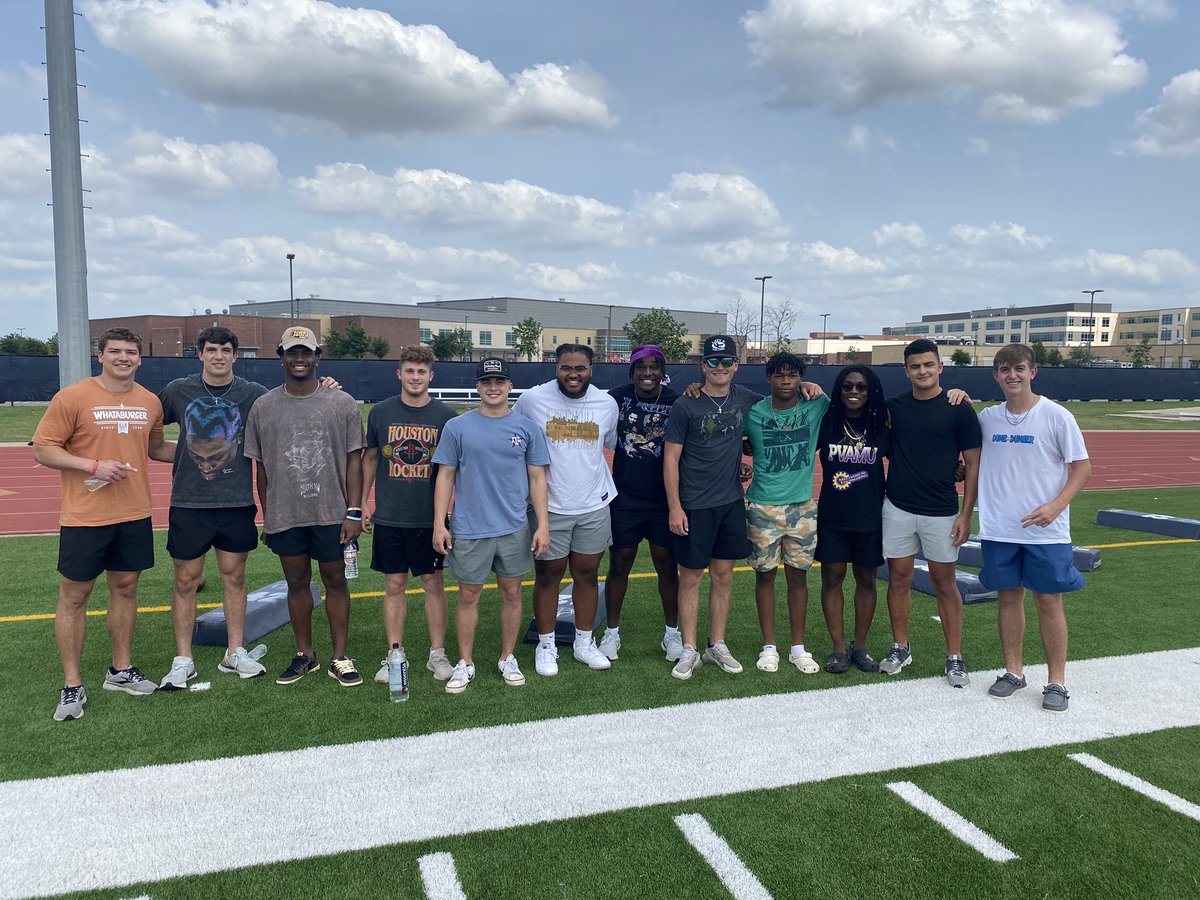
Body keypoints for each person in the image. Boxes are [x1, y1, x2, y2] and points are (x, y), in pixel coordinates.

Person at [33, 327, 173, 721]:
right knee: (75, 597)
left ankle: (120, 670)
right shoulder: (73, 397)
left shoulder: (149, 401)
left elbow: (156, 448)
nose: (123, 358)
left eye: (131, 351)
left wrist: (205, 453)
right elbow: (43, 449)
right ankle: (72, 685)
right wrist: (93, 466)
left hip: (133, 513)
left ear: (140, 358)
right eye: (116, 351)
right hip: (85, 516)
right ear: (101, 355)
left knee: (126, 589)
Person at [243, 326, 365, 687]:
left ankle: (340, 657)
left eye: (306, 352)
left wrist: (354, 511)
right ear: (280, 356)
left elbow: (354, 460)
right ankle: (305, 654)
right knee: (296, 583)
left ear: (317, 356)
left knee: (336, 581)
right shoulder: (263, 406)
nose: (299, 359)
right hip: (287, 513)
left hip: (331, 511)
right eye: (292, 352)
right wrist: (269, 516)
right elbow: (261, 468)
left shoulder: (341, 403)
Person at [977, 344, 1090, 712]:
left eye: (1019, 368)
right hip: (999, 528)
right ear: (995, 375)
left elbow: (1081, 468)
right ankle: (1014, 672)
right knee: (1008, 599)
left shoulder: (1056, 416)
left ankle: (1057, 681)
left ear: (1033, 371)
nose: (1012, 375)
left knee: (1048, 601)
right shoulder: (987, 418)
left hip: (1046, 530)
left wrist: (1055, 506)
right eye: (1005, 369)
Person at [156, 326, 269, 689]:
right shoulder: (177, 391)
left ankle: (234, 651)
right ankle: (183, 658)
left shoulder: (253, 395)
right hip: (189, 502)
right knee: (186, 580)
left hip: (235, 501)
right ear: (200, 354)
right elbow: (147, 432)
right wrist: (187, 455)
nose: (218, 355)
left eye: (225, 350)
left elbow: (289, 408)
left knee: (234, 578)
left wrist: (327, 385)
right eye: (211, 349)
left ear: (236, 356)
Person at [432, 357, 550, 693]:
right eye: (486, 382)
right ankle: (466, 662)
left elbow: (538, 478)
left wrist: (542, 524)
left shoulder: (527, 429)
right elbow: (446, 476)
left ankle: (507, 656)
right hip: (470, 528)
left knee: (512, 593)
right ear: (478, 386)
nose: (493, 387)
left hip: (514, 528)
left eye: (499, 381)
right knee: (468, 596)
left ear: (510, 386)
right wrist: (440, 523)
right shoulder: (458, 427)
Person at [880, 338, 982, 687]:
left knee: (944, 582)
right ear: (906, 370)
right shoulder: (893, 407)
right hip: (898, 507)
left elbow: (972, 465)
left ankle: (954, 656)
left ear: (940, 366)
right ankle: (900, 646)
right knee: (898, 579)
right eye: (915, 366)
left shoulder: (959, 408)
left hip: (941, 511)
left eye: (928, 364)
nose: (922, 371)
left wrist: (966, 515)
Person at [512, 343, 619, 676]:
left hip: (593, 503)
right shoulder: (532, 400)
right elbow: (511, 434)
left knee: (587, 575)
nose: (573, 375)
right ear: (555, 367)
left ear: (592, 370)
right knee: (548, 576)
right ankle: (546, 646)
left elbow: (611, 443)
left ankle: (584, 642)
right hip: (550, 506)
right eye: (566, 368)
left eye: (580, 369)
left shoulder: (606, 403)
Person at [361, 345, 457, 684]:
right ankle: (394, 653)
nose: (415, 377)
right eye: (409, 371)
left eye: (421, 372)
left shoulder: (447, 417)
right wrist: (362, 504)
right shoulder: (381, 413)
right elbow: (370, 459)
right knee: (394, 585)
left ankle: (437, 654)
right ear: (399, 374)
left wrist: (446, 516)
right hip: (390, 516)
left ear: (430, 376)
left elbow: (452, 469)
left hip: (428, 519)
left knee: (434, 584)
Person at [743, 353, 829, 675]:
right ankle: (769, 647)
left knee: (798, 577)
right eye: (779, 375)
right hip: (763, 506)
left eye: (792, 376)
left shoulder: (816, 404)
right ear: (769, 379)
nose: (786, 381)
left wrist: (812, 385)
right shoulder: (754, 411)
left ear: (800, 378)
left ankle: (797, 647)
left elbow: (856, 406)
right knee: (764, 577)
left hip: (802, 506)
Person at [600, 345, 682, 662]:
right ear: (632, 371)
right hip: (625, 498)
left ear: (662, 371)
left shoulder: (677, 401)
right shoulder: (614, 397)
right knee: (620, 564)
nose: (647, 373)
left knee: (666, 565)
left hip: (664, 501)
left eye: (654, 367)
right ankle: (611, 634)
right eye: (641, 367)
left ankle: (671, 635)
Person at [815, 365, 890, 674]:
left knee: (866, 579)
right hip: (833, 514)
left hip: (870, 515)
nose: (854, 392)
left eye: (861, 387)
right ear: (839, 390)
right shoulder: (827, 420)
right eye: (848, 387)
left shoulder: (883, 423)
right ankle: (837, 648)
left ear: (870, 391)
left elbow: (912, 455)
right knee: (832, 577)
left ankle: (860, 646)